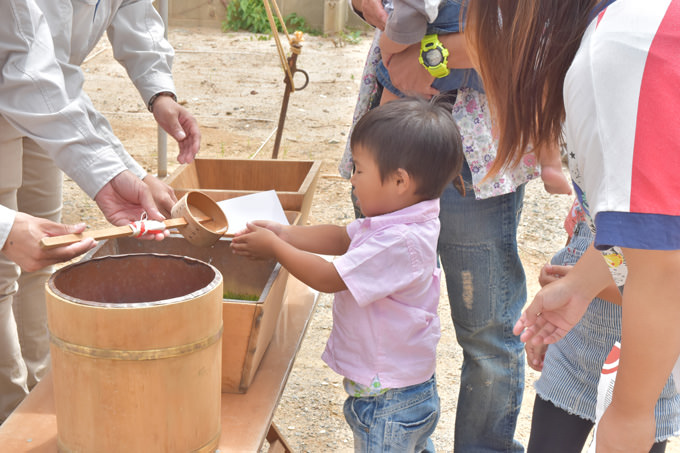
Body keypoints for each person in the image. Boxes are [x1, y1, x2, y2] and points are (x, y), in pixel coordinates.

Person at [463, 0, 680, 450]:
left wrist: (628, 415)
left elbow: (662, 268)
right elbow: (655, 227)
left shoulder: (615, 54)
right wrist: (581, 284)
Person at [341, 1, 540, 450]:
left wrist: (428, 52)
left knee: (487, 330)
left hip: (477, 150)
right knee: (387, 314)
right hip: (390, 142)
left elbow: (533, 37)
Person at [0, 0, 196, 421]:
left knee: (44, 252)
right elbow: (28, 72)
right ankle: (11, 415)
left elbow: (38, 76)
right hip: (31, 95)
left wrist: (116, 174)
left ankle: (41, 397)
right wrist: (4, 230)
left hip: (43, 99)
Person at [232, 96, 464, 451]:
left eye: (358, 169)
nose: (351, 179)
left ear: (400, 181)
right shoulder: (400, 219)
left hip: (388, 400)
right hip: (399, 389)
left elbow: (328, 278)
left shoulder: (398, 241)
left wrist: (275, 248)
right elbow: (343, 237)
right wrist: (285, 232)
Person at [524, 200, 680, 453]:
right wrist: (552, 315)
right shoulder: (594, 193)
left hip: (649, 380)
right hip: (572, 356)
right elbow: (577, 243)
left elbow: (666, 295)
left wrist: (581, 285)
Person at [376, 0, 571, 195]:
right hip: (492, 59)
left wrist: (386, 46)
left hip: (430, 52)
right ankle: (551, 163)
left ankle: (381, 159)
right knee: (531, 90)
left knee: (395, 92)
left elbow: (406, 21)